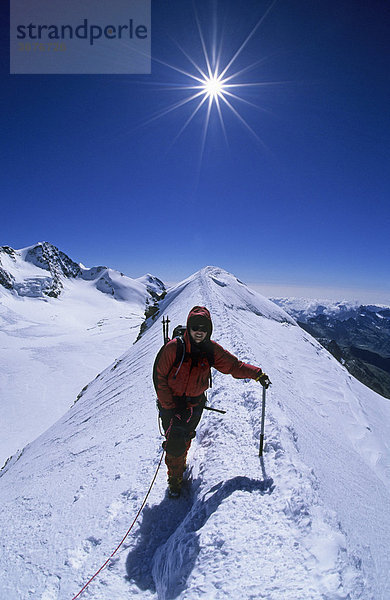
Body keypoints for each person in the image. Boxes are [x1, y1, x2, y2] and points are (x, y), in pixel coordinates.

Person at [155, 306, 271, 497]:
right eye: (195, 327)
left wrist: (257, 374)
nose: (199, 332)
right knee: (174, 441)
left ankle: (180, 462)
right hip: (172, 406)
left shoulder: (210, 349)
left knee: (186, 436)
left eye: (203, 328)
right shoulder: (174, 348)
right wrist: (169, 407)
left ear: (208, 330)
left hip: (194, 405)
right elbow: (159, 378)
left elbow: (234, 366)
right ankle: (174, 478)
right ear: (188, 328)